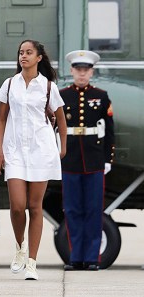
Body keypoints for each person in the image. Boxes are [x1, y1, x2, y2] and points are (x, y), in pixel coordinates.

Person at [0, 40, 67, 280]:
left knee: (35, 207)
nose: (23, 56)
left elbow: (61, 119)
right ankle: (20, 246)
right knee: (17, 206)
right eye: (20, 53)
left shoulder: (48, 87)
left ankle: (33, 263)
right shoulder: (9, 84)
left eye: (28, 53)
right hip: (14, 150)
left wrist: (62, 148)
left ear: (38, 58)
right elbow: (2, 119)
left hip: (40, 150)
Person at [60, 50, 115, 271]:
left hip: (93, 159)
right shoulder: (63, 96)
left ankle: (92, 258)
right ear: (72, 71)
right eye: (78, 70)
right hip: (70, 158)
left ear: (91, 72)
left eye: (86, 70)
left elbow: (110, 130)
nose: (82, 74)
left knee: (93, 209)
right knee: (72, 209)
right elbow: (55, 127)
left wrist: (108, 159)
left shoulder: (101, 96)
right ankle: (76, 258)